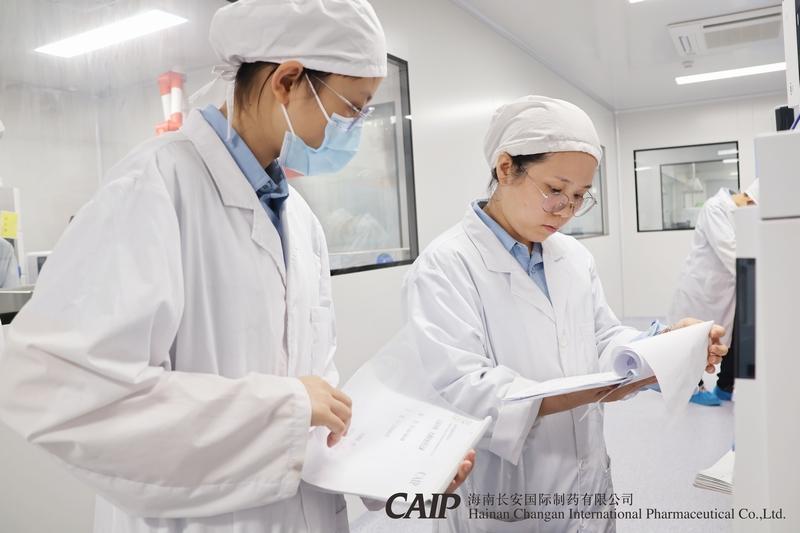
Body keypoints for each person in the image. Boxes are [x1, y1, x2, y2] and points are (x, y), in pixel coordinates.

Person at [0, 1, 472, 532]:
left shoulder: (301, 222)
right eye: (352, 109)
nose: (356, 130)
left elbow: (315, 403)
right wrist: (282, 410)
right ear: (287, 81)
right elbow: (60, 391)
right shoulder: (154, 187)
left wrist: (397, 474)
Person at [402, 96, 728, 532]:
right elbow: (466, 389)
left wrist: (665, 346)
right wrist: (590, 391)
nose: (566, 210)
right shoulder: (446, 265)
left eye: (579, 196)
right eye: (555, 190)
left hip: (588, 488)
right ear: (505, 168)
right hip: (508, 498)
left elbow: (603, 338)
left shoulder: (572, 256)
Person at [669, 180, 758, 406]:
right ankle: (691, 388)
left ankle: (725, 386)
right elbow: (731, 252)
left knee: (729, 338)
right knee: (691, 339)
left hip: (725, 289)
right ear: (749, 201)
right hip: (701, 287)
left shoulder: (738, 210)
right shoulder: (715, 208)